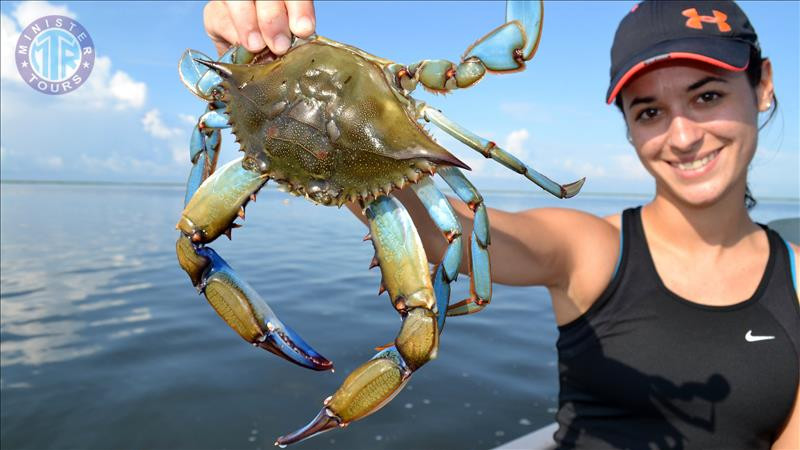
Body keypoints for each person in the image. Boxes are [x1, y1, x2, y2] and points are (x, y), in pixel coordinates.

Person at [203, 1, 798, 448]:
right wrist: (309, 102)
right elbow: (448, 233)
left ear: (763, 86)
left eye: (707, 95)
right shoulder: (590, 248)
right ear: (626, 122)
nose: (684, 134)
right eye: (649, 110)